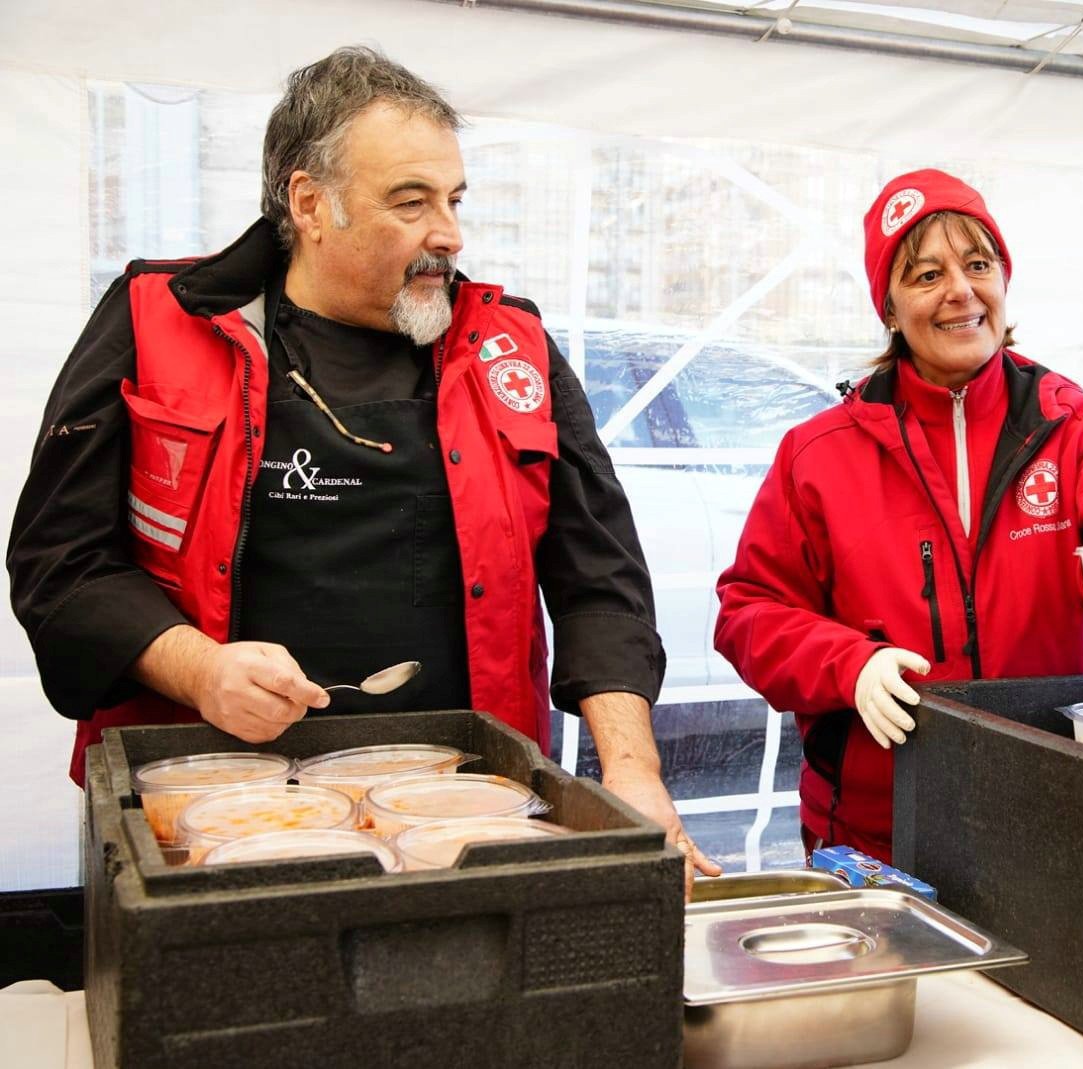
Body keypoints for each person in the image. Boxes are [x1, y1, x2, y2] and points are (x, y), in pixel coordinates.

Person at [6, 46, 718, 890]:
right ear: (310, 203)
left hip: (462, 808)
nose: (448, 233)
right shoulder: (159, 321)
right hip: (214, 812)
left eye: (453, 199)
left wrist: (631, 767)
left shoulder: (509, 345)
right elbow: (60, 565)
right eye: (410, 202)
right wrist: (198, 668)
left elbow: (601, 581)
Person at [713, 169, 1083, 863]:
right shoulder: (817, 454)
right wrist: (849, 663)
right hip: (879, 829)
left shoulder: (1073, 425)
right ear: (889, 305)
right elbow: (749, 610)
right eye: (926, 274)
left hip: (1058, 814)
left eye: (977, 265)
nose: (960, 292)